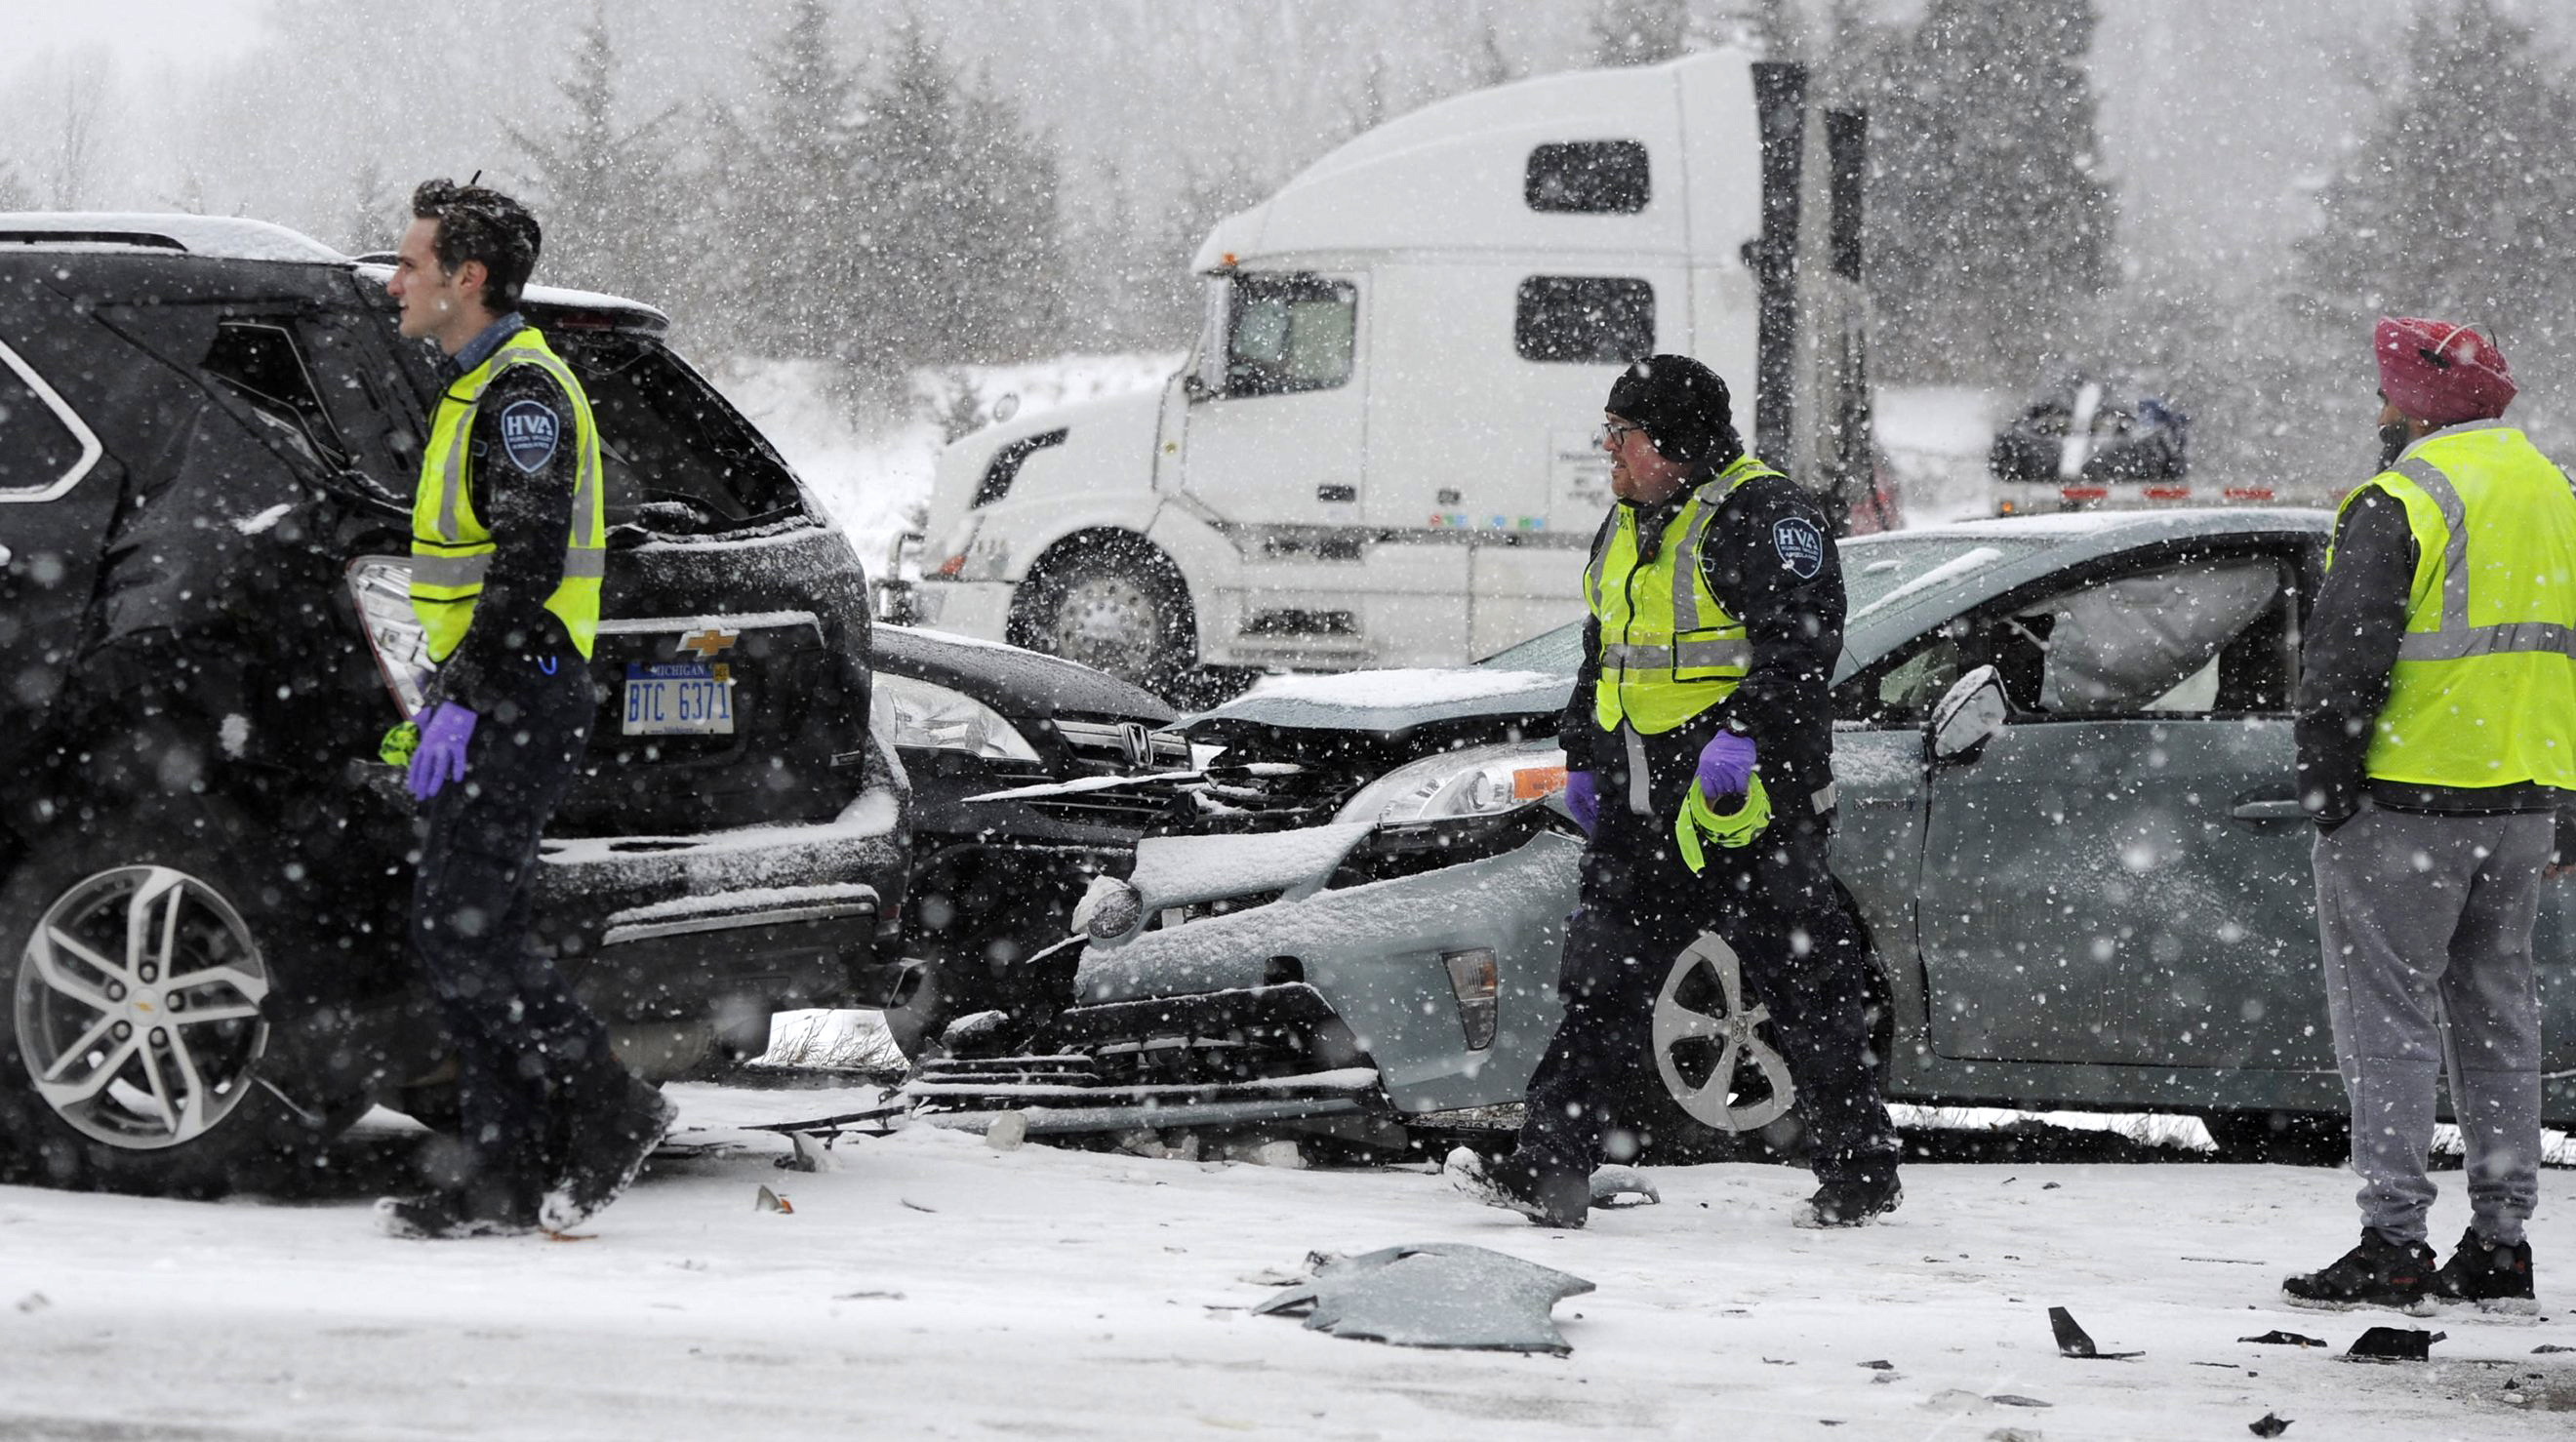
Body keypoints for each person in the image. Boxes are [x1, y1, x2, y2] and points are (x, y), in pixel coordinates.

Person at [1446, 355, 1901, 1229]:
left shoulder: (1767, 516)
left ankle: (1861, 1172)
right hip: (1642, 808)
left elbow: (1800, 652)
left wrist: (1740, 745)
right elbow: (1606, 649)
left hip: (1746, 815)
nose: (1609, 452)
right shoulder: (1626, 523)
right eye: (1608, 434)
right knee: (1605, 983)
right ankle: (1551, 1168)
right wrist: (1581, 752)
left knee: (1805, 991)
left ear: (1677, 442)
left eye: (1625, 435)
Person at [375, 179, 674, 1239]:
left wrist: (461, 697)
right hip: (496, 691)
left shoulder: (522, 393)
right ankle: (501, 1173)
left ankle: (611, 1108)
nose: (395, 278)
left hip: (523, 688)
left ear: (468, 278)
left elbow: (528, 561)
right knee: (471, 927)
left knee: (467, 930)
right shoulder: (473, 387)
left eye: (411, 262)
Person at [2284, 316, 2568, 1314]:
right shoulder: (2553, 493)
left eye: (2386, 394)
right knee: (2498, 1020)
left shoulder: (2402, 497)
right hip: (2524, 798)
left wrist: (2326, 783)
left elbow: (2343, 662)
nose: (2379, 412)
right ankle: (2501, 1240)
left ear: (2416, 404)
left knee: (2389, 1023)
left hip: (2407, 802)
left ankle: (2393, 1239)